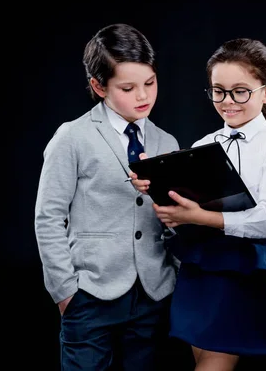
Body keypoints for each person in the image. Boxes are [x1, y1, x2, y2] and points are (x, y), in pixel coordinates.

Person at [130, 38, 266, 370]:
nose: (228, 102)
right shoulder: (203, 145)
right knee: (203, 356)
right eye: (218, 91)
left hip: (243, 265)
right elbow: (181, 218)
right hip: (200, 265)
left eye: (240, 91)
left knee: (215, 362)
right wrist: (158, 192)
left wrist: (201, 216)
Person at [34, 23, 180, 371]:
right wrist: (65, 291)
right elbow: (48, 217)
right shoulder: (73, 137)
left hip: (153, 292)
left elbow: (175, 221)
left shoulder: (167, 143)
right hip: (90, 292)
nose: (143, 96)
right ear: (99, 86)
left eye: (150, 83)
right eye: (128, 88)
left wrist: (174, 273)